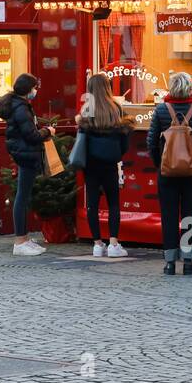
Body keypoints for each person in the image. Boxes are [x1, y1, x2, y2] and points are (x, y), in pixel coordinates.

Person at [148, 72, 192, 275]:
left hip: (166, 174)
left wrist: (161, 164)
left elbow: (151, 143)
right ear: (190, 88)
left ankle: (169, 263)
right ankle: (188, 262)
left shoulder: (161, 110)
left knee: (168, 216)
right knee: (190, 216)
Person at [0, 73, 54, 257]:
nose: (35, 91)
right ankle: (20, 240)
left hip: (24, 153)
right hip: (26, 154)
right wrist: (47, 131)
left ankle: (24, 238)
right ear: (28, 89)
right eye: (34, 87)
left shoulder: (19, 106)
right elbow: (31, 135)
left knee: (24, 195)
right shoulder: (21, 109)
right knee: (22, 196)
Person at [76, 74, 135, 258]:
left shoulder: (87, 109)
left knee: (92, 203)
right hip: (110, 162)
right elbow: (125, 139)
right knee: (113, 203)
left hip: (91, 164)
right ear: (107, 87)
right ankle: (114, 243)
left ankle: (96, 244)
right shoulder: (115, 107)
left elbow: (81, 139)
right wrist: (117, 153)